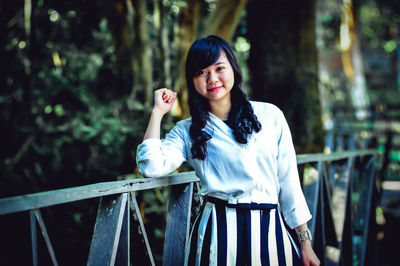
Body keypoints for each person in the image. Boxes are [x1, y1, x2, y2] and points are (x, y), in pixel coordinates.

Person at [136, 35, 320, 266]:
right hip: (216, 236)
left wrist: (305, 243)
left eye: (219, 68)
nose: (212, 78)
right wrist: (158, 112)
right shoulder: (187, 130)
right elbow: (151, 166)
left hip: (270, 232)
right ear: (192, 80)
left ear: (233, 68)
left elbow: (289, 183)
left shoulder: (270, 115)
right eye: (201, 72)